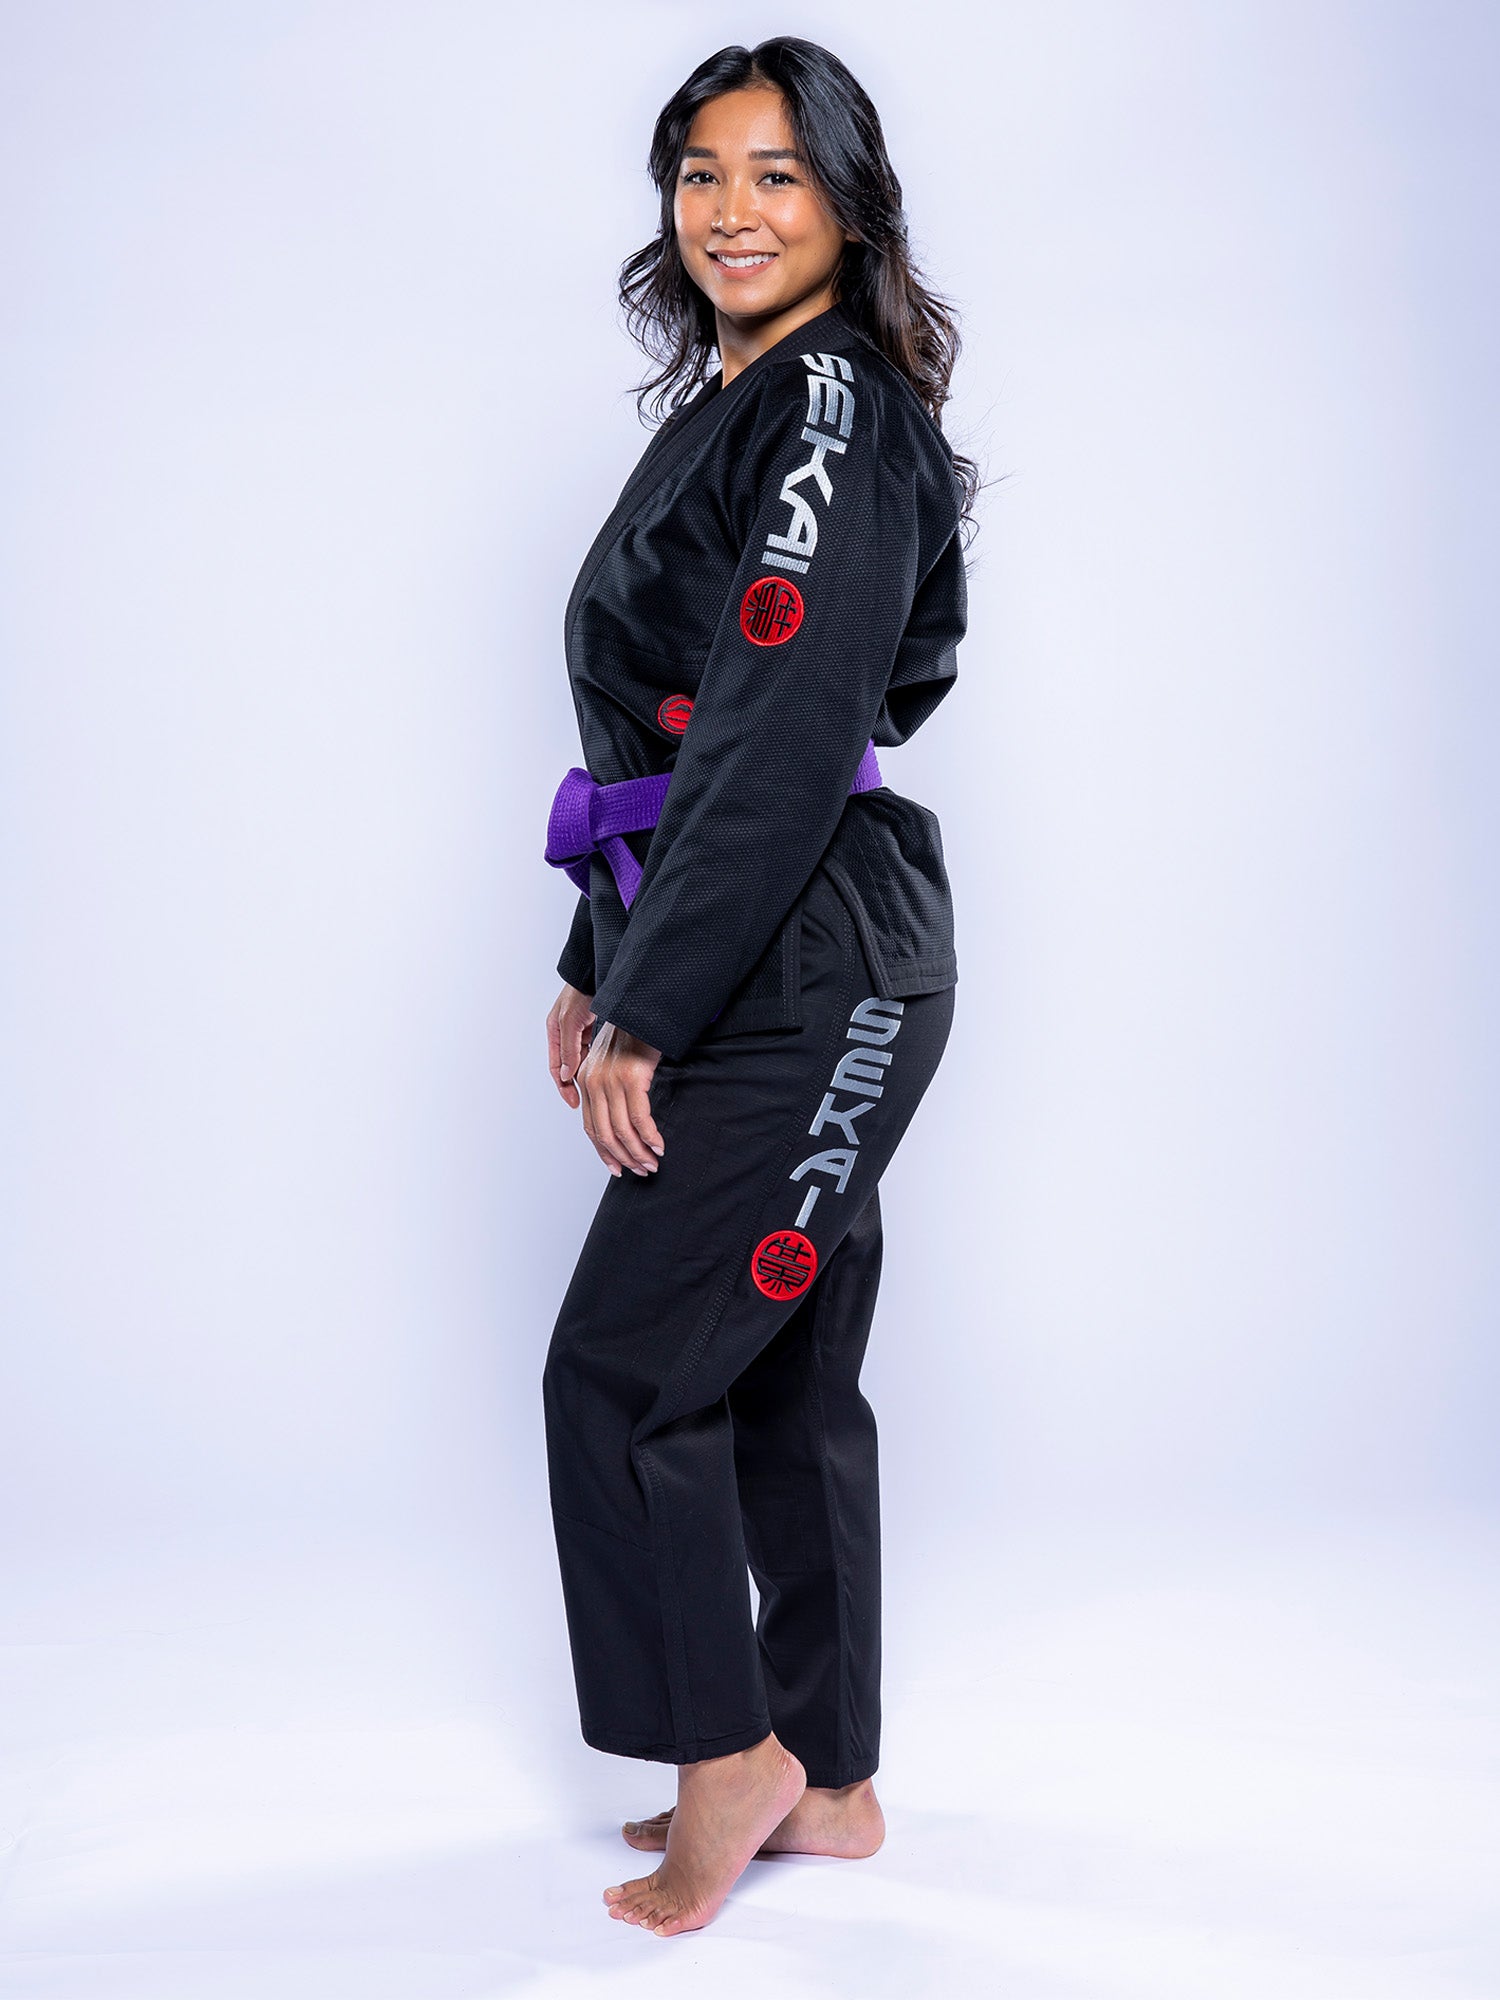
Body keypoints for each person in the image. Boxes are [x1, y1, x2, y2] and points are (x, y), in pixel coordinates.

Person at [540, 36, 979, 1939]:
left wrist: (650, 997)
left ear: (850, 202)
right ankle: (836, 1776)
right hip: (779, 936)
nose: (732, 209)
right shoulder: (742, 404)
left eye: (779, 175)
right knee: (781, 1376)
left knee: (624, 1370)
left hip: (811, 961)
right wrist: (593, 960)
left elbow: (790, 728)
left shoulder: (827, 409)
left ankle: (727, 1757)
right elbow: (672, 728)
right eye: (702, 173)